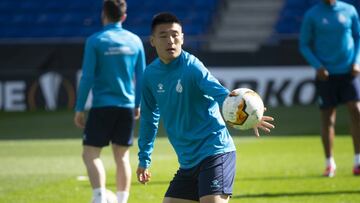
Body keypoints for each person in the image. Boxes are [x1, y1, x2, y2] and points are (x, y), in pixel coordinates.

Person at [136, 12, 275, 203]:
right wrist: (144, 158)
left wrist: (245, 112)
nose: (170, 40)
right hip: (187, 162)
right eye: (163, 36)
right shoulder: (149, 75)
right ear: (152, 41)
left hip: (215, 151)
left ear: (182, 38)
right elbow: (149, 117)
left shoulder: (192, 67)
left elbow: (220, 94)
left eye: (175, 35)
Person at [73, 0, 146, 202]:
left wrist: (79, 108)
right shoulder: (135, 40)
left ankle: (98, 198)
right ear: (124, 17)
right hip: (126, 107)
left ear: (103, 14)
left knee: (90, 154)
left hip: (102, 107)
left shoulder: (95, 40)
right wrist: (138, 103)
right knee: (122, 157)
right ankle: (121, 200)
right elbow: (141, 76)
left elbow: (87, 77)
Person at [299, 0, 360, 177]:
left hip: (349, 72)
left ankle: (358, 161)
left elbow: (358, 37)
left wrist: (357, 61)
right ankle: (329, 163)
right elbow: (304, 44)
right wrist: (317, 66)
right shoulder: (312, 14)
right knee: (327, 118)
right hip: (325, 75)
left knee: (356, 111)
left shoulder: (349, 10)